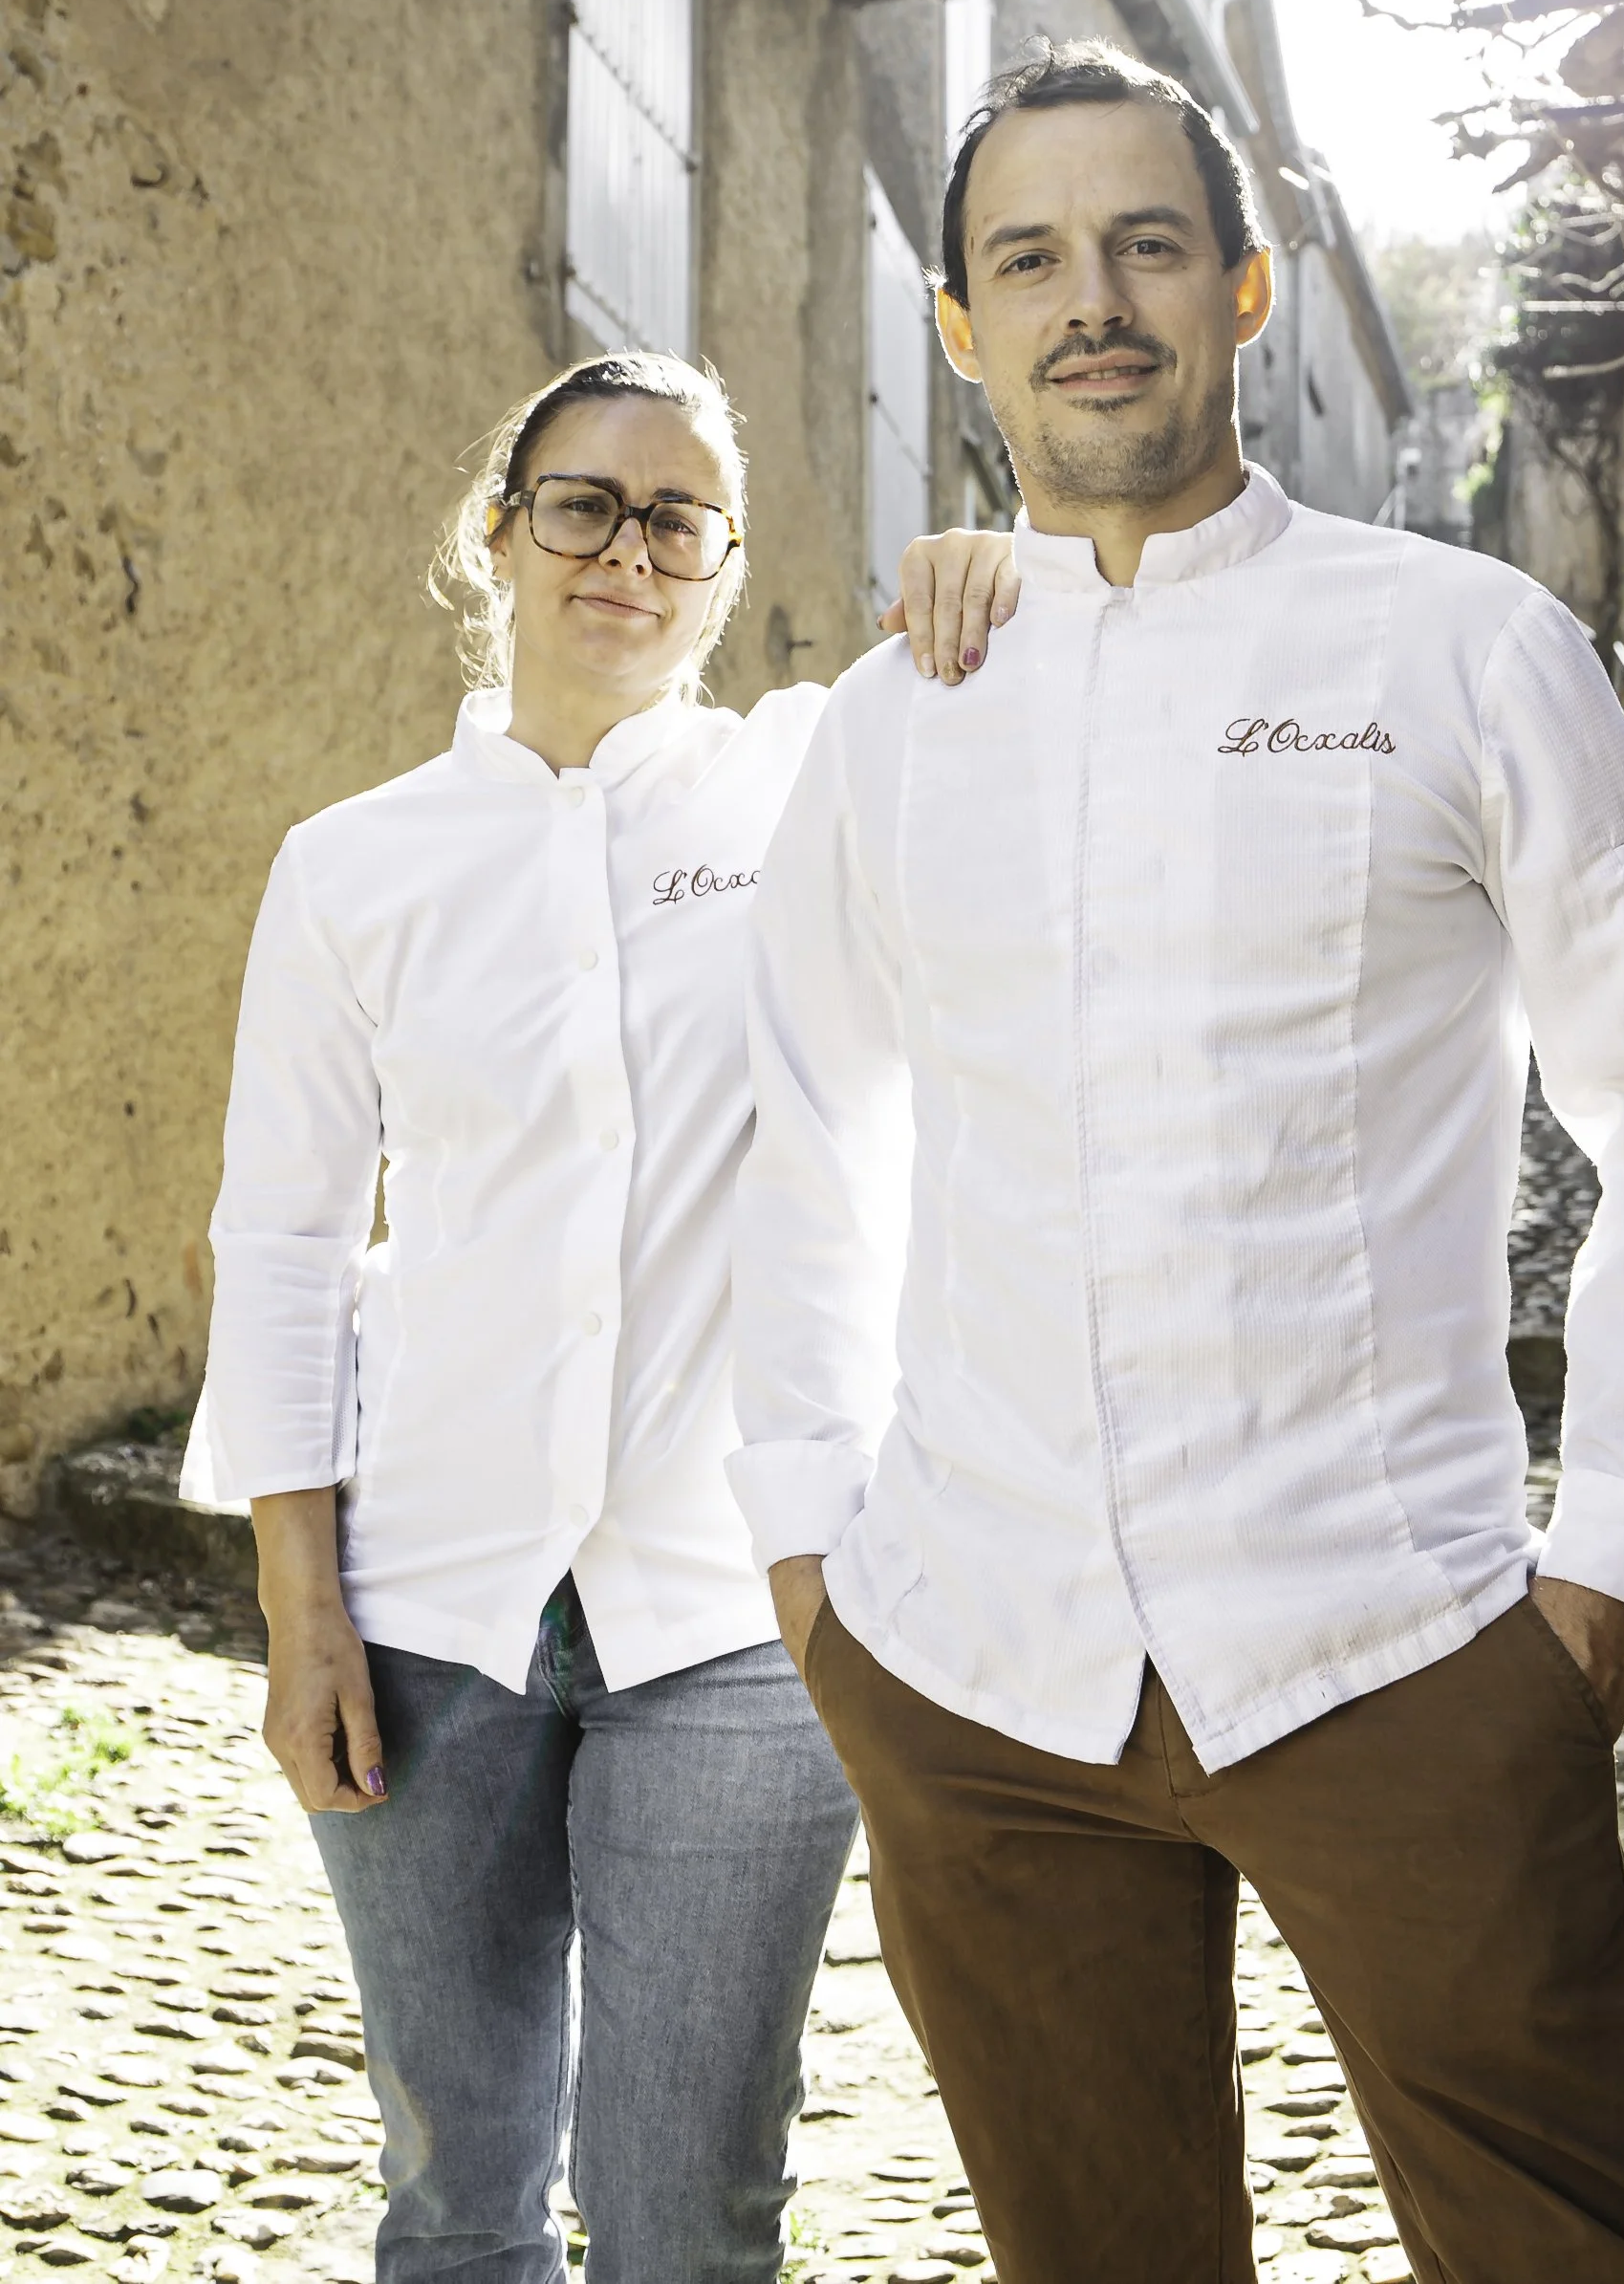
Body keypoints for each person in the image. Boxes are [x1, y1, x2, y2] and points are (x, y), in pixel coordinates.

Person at [727, 42, 1624, 2284]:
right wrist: (814, 1553)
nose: (1089, 297)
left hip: (1388, 1641)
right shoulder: (889, 719)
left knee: (1577, 2252)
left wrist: (1602, 1571)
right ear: (960, 328)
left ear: (1247, 288)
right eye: (1029, 257)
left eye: (1145, 244)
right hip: (976, 1672)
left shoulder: (1462, 647)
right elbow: (809, 1131)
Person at [182, 347, 1017, 2284]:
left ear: (721, 572)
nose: (626, 552)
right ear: (498, 533)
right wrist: (303, 1613)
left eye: (678, 520)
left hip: (733, 1613)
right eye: (583, 503)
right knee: (457, 2200)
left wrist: (988, 566)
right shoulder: (354, 867)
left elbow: (1030, 679)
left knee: (688, 2212)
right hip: (422, 1606)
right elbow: (287, 1240)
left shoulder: (806, 776)